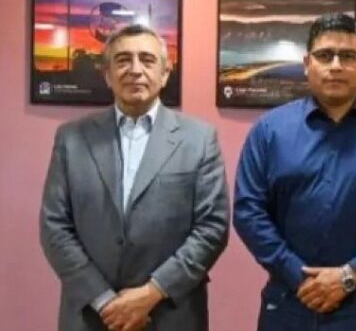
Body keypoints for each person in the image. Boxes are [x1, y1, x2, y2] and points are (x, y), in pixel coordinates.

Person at [234, 13, 356, 331]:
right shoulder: (270, 131)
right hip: (288, 303)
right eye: (325, 55)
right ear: (307, 63)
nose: (336, 65)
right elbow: (249, 212)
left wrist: (349, 276)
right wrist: (299, 276)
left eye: (348, 56)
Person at [39, 24, 229, 331]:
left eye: (147, 60)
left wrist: (151, 293)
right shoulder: (71, 138)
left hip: (169, 314)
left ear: (165, 73)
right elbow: (55, 227)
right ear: (107, 74)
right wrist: (104, 301)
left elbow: (212, 228)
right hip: (91, 316)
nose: (135, 69)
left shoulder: (199, 139)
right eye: (123, 60)